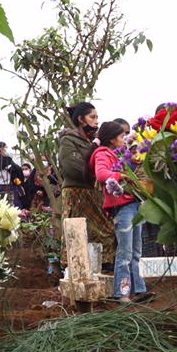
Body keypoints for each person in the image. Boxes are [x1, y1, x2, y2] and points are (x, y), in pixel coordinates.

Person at [92, 121, 151, 303]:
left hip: (135, 205)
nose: (124, 139)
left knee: (136, 252)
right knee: (125, 253)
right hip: (122, 209)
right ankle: (122, 293)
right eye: (120, 136)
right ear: (111, 139)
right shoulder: (103, 154)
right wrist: (121, 175)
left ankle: (139, 290)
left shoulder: (122, 154)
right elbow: (101, 174)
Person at [58, 102, 116, 267]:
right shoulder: (68, 140)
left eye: (97, 117)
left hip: (93, 193)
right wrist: (96, 170)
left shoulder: (96, 143)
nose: (96, 121)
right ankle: (74, 270)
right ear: (81, 119)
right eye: (92, 117)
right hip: (75, 193)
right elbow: (72, 168)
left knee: (107, 230)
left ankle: (102, 267)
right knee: (76, 233)